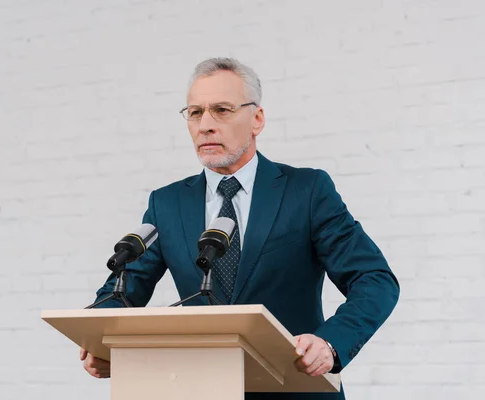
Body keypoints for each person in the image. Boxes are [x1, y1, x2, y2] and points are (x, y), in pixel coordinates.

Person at [79, 57, 400, 399]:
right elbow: (126, 289)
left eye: (221, 110)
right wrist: (101, 340)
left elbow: (375, 280)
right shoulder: (167, 203)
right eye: (195, 112)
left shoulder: (307, 191)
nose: (205, 125)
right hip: (202, 390)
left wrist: (331, 343)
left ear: (257, 119)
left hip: (295, 389)